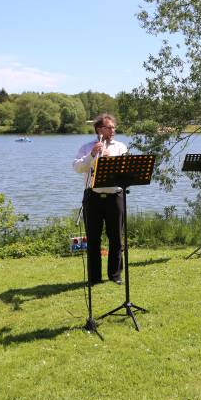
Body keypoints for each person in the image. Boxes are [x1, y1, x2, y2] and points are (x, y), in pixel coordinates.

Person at [73, 113, 127, 285]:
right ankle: (94, 278)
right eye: (109, 127)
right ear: (99, 129)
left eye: (113, 127)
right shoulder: (87, 147)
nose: (113, 130)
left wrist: (111, 160)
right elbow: (77, 167)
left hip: (115, 196)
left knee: (116, 238)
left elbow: (126, 170)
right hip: (93, 197)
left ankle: (115, 275)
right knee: (93, 239)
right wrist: (92, 155)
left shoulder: (120, 147)